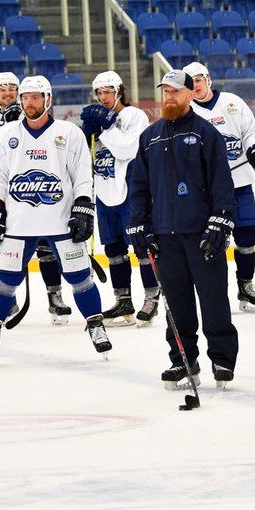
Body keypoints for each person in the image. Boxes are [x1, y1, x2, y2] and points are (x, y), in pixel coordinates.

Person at [0, 75, 112, 360]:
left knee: (80, 278)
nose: (29, 102)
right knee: (5, 280)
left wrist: (84, 206)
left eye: (35, 97)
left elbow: (81, 175)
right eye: (25, 97)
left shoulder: (68, 132)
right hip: (18, 222)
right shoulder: (6, 135)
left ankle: (96, 326)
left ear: (48, 99)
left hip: (60, 220)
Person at [128, 69, 238, 391]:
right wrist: (138, 223)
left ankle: (221, 358)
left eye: (176, 91)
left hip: (202, 235)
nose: (169, 97)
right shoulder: (150, 137)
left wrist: (221, 221)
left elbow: (222, 184)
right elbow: (139, 187)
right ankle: (182, 359)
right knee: (176, 304)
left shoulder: (206, 133)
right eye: (165, 92)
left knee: (213, 300)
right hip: (165, 236)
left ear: (191, 94)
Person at [0, 71, 69, 323]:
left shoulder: (34, 113)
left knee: (46, 244)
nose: (7, 93)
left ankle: (54, 295)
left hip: (36, 186)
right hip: (3, 190)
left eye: (12, 88)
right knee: (4, 245)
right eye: (2, 88)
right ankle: (9, 299)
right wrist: (9, 126)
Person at [183, 61, 255, 313]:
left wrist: (254, 147)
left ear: (208, 79)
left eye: (199, 79)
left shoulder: (232, 102)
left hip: (239, 184)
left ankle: (246, 285)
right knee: (211, 241)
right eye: (191, 82)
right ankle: (213, 292)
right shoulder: (187, 112)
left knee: (246, 238)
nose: (196, 85)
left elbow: (250, 131)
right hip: (206, 191)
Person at [81, 70, 159, 328]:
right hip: (104, 192)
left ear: (119, 91)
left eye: (108, 91)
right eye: (99, 92)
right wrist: (87, 133)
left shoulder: (134, 116)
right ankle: (123, 299)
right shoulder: (100, 120)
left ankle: (152, 295)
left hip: (130, 190)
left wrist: (105, 129)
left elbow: (128, 149)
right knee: (114, 249)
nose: (103, 97)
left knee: (141, 246)